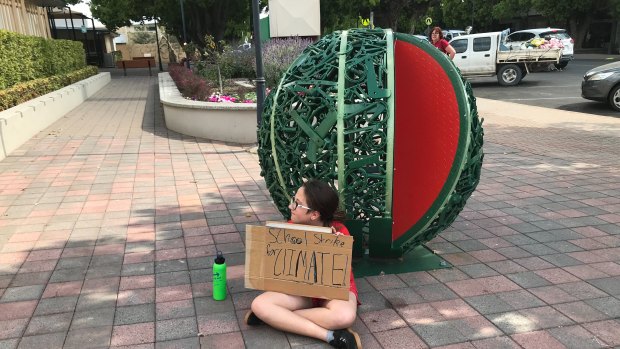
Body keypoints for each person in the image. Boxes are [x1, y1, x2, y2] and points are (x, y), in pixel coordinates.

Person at [245, 179, 361, 349]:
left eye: (297, 204)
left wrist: (338, 248)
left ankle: (278, 318)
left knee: (344, 317)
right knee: (259, 304)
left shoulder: (340, 231)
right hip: (302, 292)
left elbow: (340, 276)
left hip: (335, 291)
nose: (291, 207)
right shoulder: (290, 228)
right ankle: (329, 336)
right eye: (293, 201)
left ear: (314, 214)